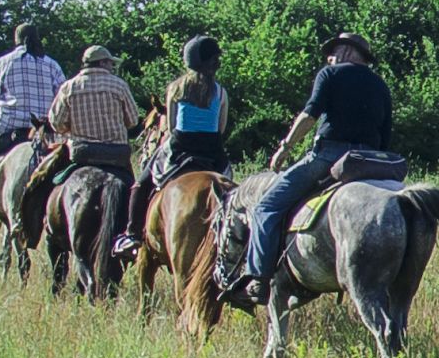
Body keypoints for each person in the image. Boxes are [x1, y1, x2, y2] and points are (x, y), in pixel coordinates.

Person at [226, 32, 391, 306]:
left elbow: (309, 115)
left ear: (349, 52)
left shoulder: (330, 74)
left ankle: (258, 278)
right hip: (372, 160)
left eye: (334, 50)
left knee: (268, 206)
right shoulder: (380, 85)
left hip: (330, 155)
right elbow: (386, 133)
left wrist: (285, 147)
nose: (330, 56)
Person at [115, 35, 227, 258]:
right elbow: (221, 128)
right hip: (212, 150)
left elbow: (173, 124)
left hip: (180, 145)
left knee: (141, 183)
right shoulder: (221, 91)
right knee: (232, 190)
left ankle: (132, 234)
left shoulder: (176, 88)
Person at [0, 23, 65, 223]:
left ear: (16, 39)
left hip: (8, 129)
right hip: (44, 134)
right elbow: (62, 100)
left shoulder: (4, 62)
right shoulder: (52, 65)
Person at [46, 45, 143, 163]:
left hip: (81, 152)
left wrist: (70, 129)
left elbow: (56, 122)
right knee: (133, 181)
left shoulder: (69, 87)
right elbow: (133, 120)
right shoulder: (119, 85)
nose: (112, 67)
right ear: (102, 63)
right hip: (116, 152)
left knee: (54, 178)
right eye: (110, 63)